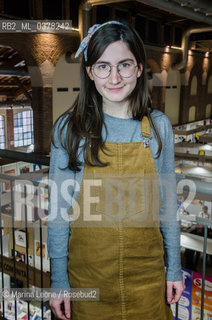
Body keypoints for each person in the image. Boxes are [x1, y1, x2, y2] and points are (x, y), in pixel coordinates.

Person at [48, 21, 184, 320]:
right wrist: (59, 281)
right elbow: (59, 214)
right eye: (103, 67)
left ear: (138, 68)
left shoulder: (158, 127)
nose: (114, 77)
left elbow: (167, 207)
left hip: (147, 279)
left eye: (124, 64)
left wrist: (173, 267)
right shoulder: (70, 130)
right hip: (88, 279)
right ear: (89, 72)